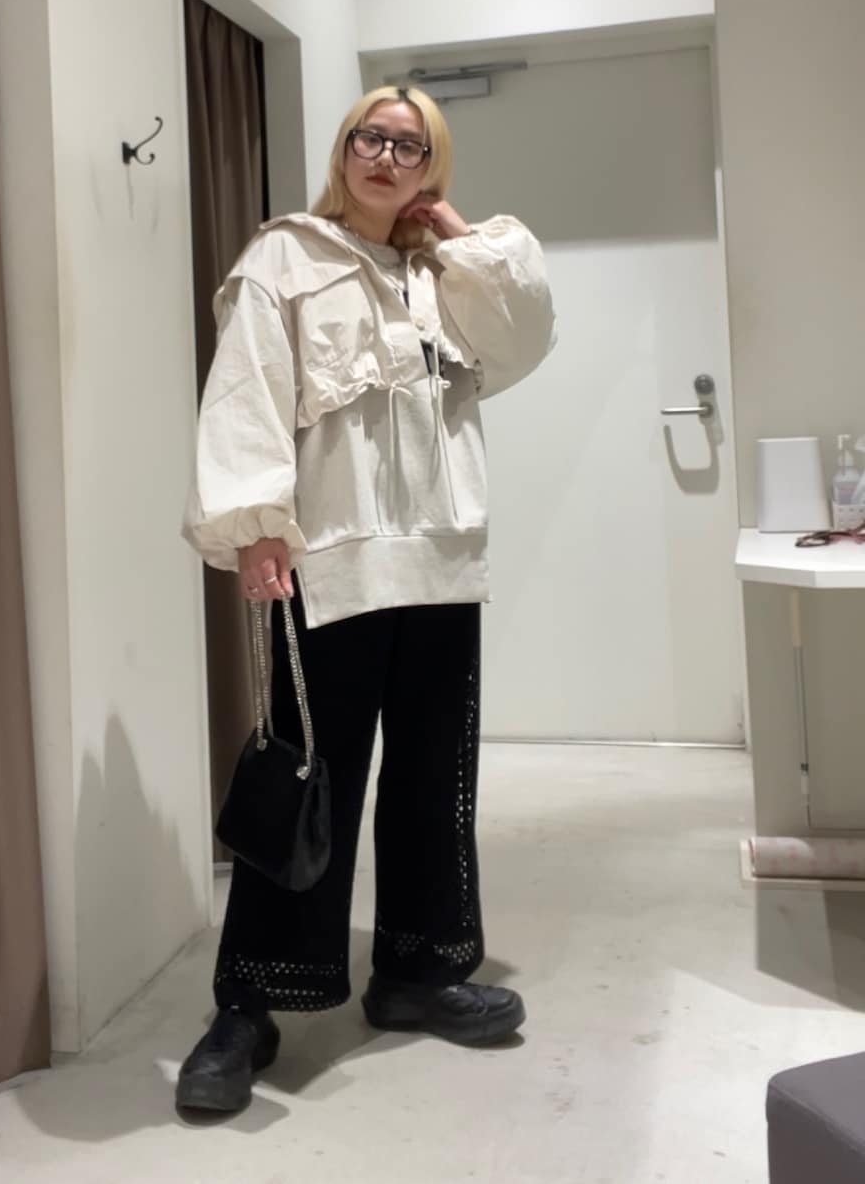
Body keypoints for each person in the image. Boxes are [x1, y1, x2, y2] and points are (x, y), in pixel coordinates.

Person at [177, 85, 556, 1114]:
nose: (385, 156)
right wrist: (257, 520)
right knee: (308, 783)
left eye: (409, 145)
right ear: (343, 149)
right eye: (369, 137)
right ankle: (249, 1003)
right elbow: (246, 388)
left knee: (436, 780)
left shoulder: (444, 276)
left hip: (439, 562)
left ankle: (418, 971)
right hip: (331, 564)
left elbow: (526, 333)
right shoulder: (284, 257)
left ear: (431, 164)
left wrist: (456, 232)